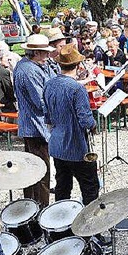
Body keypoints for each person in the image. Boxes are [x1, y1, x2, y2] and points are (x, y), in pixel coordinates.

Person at [43, 45, 99, 206]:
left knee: (63, 186)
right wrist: (94, 125)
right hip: (75, 146)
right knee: (90, 187)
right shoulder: (76, 88)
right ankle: (90, 226)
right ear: (78, 65)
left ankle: (61, 224)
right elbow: (85, 119)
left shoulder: (49, 84)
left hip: (57, 143)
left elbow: (47, 115)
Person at [13, 34, 54, 206]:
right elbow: (40, 101)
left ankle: (32, 205)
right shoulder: (28, 70)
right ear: (36, 52)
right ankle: (40, 209)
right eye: (45, 53)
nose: (48, 56)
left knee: (33, 170)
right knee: (40, 171)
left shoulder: (35, 65)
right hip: (36, 127)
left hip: (34, 126)